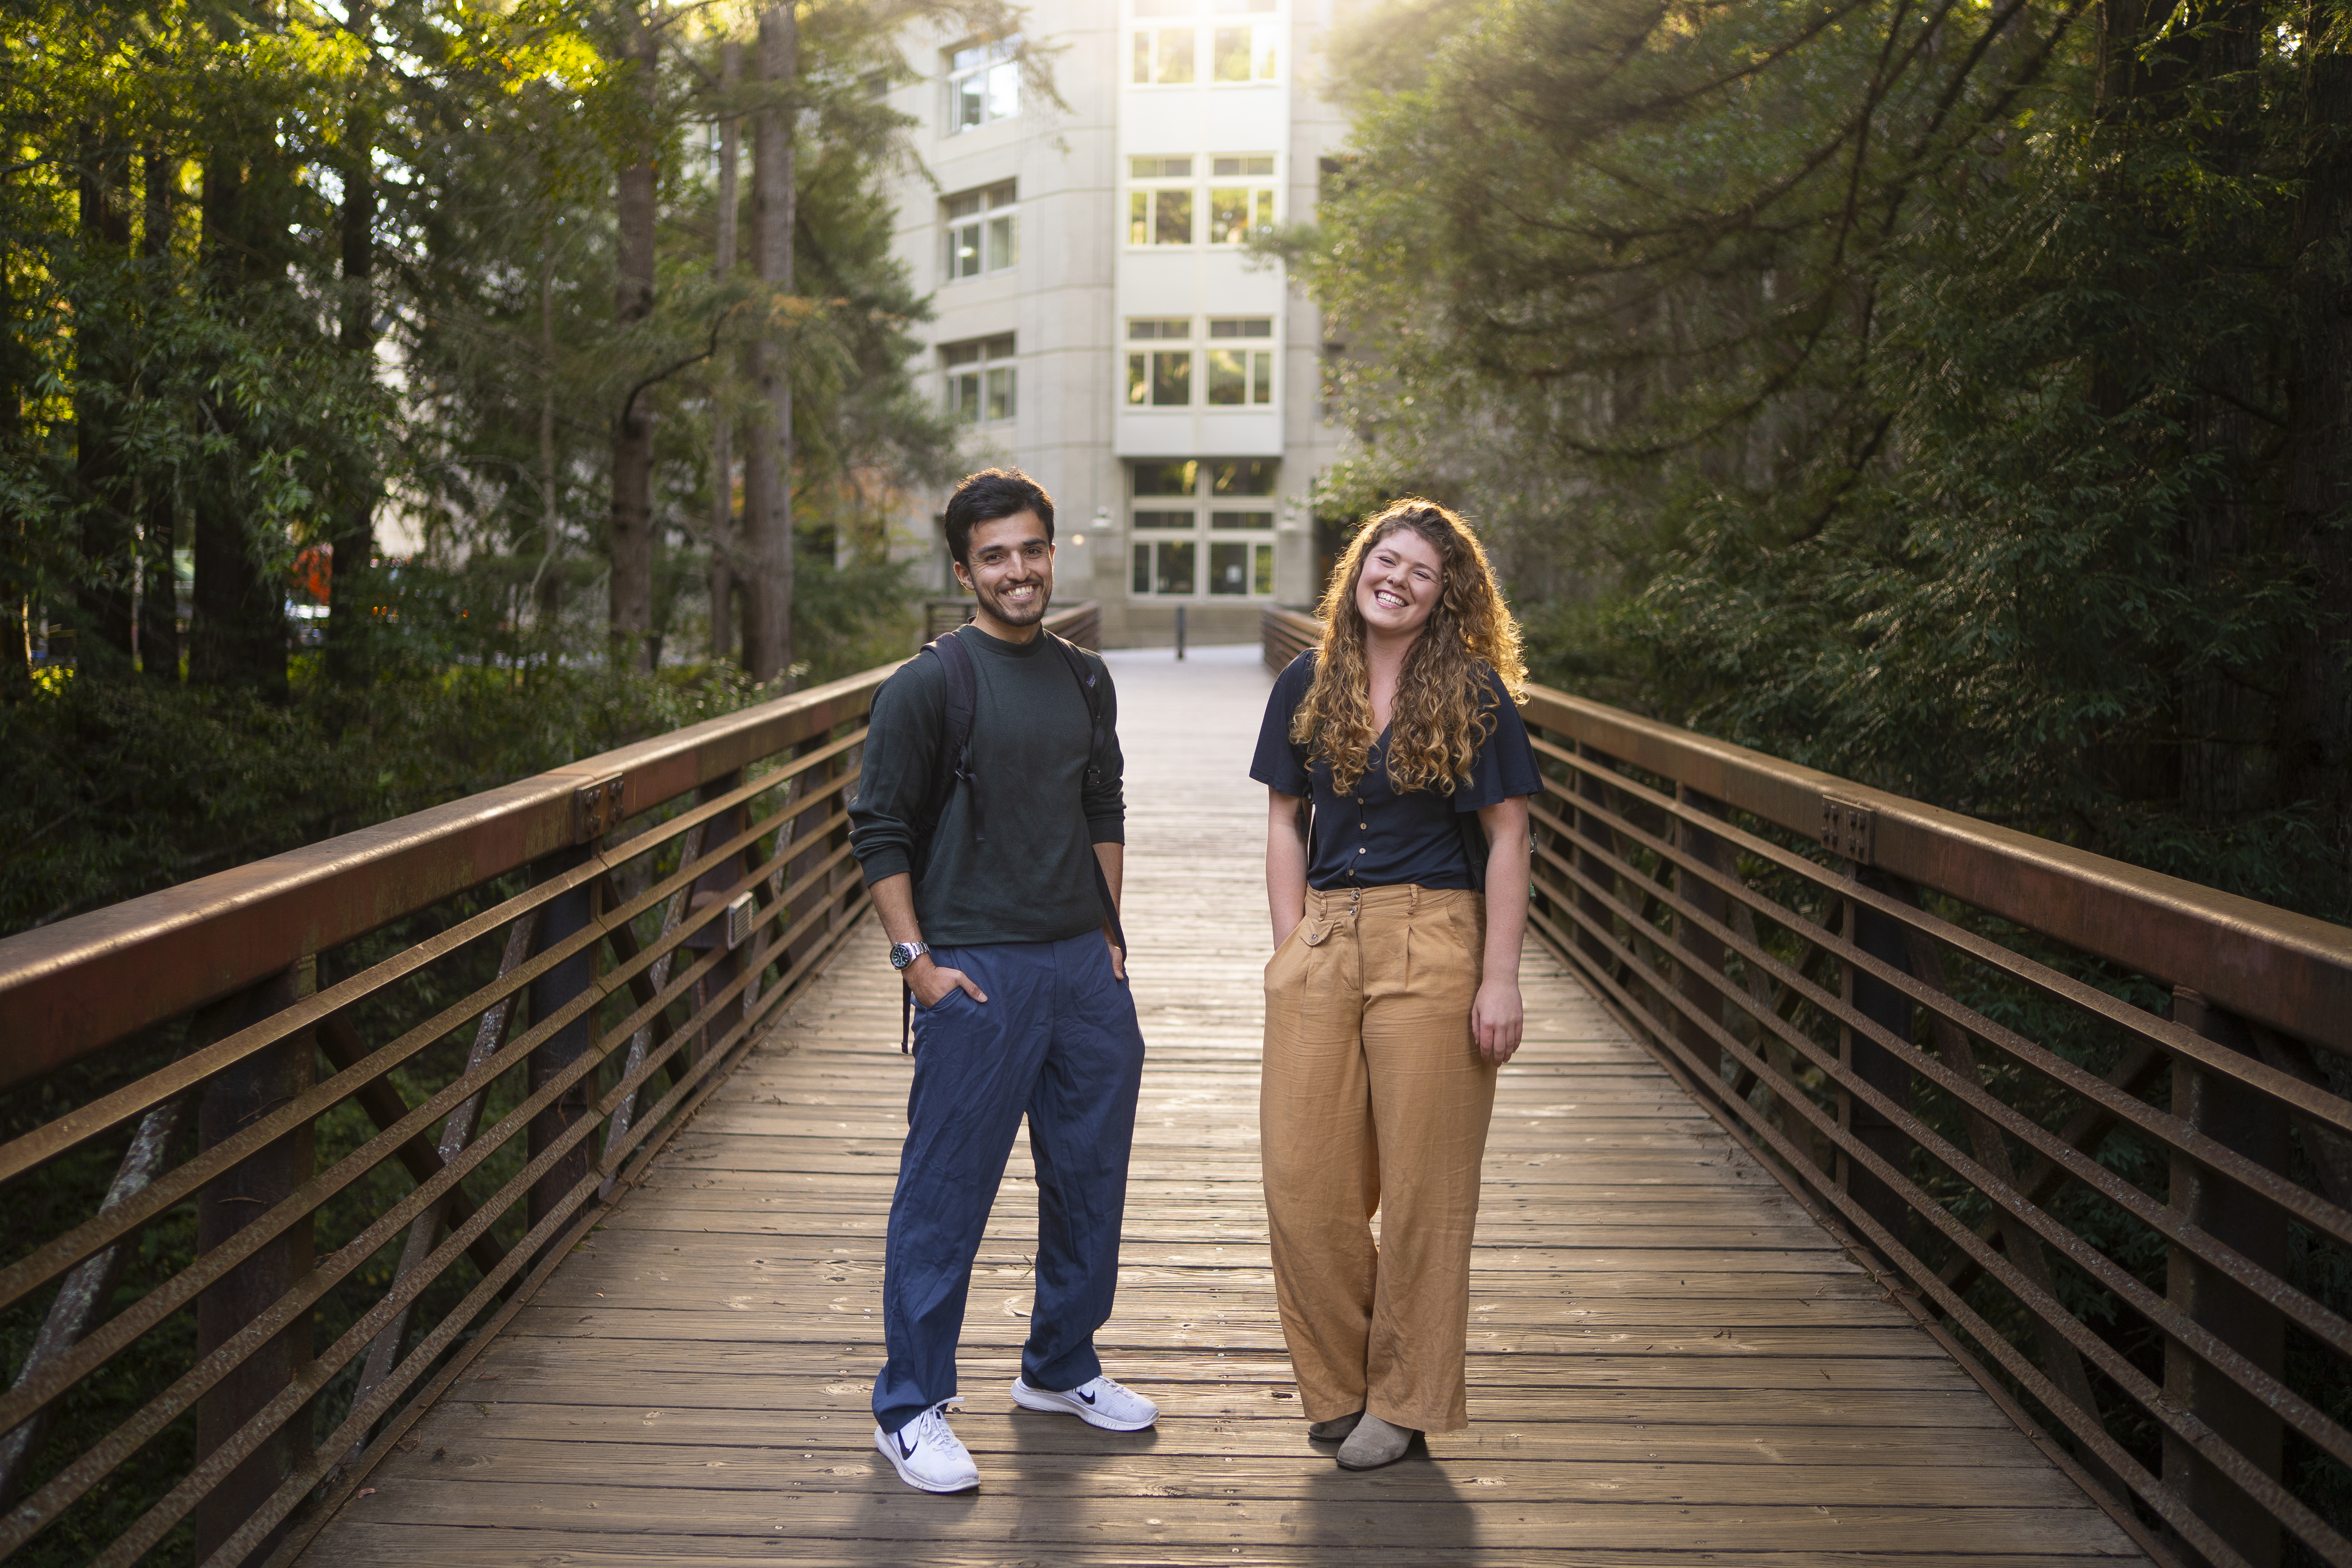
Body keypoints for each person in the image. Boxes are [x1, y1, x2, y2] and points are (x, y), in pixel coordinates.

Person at [848, 468, 1157, 1494]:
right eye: (995, 556)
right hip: (975, 973)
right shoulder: (928, 686)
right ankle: (910, 1406)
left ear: (1051, 552)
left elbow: (1104, 803)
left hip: (1083, 970)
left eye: (1032, 550)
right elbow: (879, 829)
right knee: (945, 1196)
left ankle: (1060, 1365)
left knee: (1090, 1179)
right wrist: (916, 963)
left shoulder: (1084, 677)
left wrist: (1110, 937)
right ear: (964, 569)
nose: (1018, 570)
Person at [1249, 498, 1538, 1472]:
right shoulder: (1307, 676)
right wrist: (1292, 946)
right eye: (1387, 558)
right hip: (1326, 935)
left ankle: (1405, 1397)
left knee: (1424, 1190)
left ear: (1446, 594)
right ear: (1359, 568)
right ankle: (1339, 1382)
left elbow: (1508, 839)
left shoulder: (1474, 692)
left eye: (1423, 570)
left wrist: (1499, 976)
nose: (1399, 578)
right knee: (1303, 1179)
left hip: (1436, 933)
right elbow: (1286, 820)